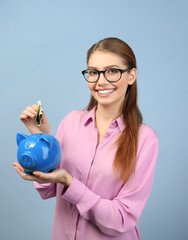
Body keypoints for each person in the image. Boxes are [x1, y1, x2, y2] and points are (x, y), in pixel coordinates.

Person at [13, 37, 159, 240]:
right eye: (93, 72)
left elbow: (122, 219)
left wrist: (70, 183)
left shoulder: (145, 139)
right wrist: (42, 138)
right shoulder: (71, 121)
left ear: (131, 75)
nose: (101, 81)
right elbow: (47, 190)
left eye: (112, 71)